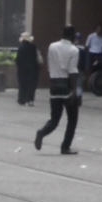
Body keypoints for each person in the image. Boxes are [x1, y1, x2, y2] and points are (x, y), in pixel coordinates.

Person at [33, 25, 81, 155]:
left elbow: (50, 65)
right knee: (72, 118)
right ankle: (65, 146)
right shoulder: (74, 50)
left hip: (54, 84)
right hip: (66, 84)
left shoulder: (52, 46)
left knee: (54, 119)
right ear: (72, 35)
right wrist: (75, 91)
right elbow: (72, 71)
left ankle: (42, 132)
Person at [15, 32, 41, 106]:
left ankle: (21, 99)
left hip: (22, 69)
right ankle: (30, 99)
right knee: (31, 85)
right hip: (33, 69)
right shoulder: (33, 47)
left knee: (22, 84)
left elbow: (18, 59)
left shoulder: (21, 48)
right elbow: (37, 58)